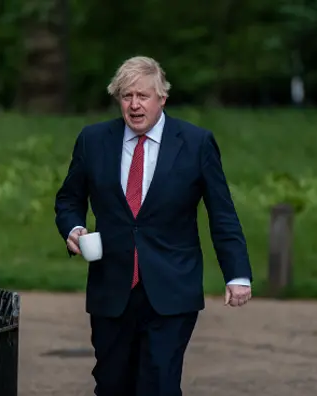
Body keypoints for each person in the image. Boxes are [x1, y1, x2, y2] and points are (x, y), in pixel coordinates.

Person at [54, 55, 253, 396]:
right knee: (112, 384)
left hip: (172, 287)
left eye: (142, 96)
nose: (134, 105)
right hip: (112, 288)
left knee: (158, 384)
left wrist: (237, 274)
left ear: (162, 98)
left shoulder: (195, 143)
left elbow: (222, 212)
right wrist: (73, 230)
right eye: (126, 96)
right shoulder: (93, 140)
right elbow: (68, 200)